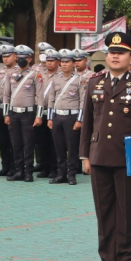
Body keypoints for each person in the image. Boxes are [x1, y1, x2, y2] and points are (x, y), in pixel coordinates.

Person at [80, 32, 131, 261]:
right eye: (112, 52)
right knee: (104, 210)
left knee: (127, 210)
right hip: (99, 154)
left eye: (121, 53)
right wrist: (85, 156)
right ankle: (107, 260)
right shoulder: (95, 82)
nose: (115, 56)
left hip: (127, 158)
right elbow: (88, 121)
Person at [46, 49, 86, 185]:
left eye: (67, 62)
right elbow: (51, 99)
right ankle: (61, 174)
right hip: (57, 116)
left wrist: (79, 120)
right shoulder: (56, 79)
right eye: (62, 62)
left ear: (73, 63)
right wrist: (50, 118)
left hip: (71, 117)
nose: (64, 64)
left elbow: (83, 101)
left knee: (72, 147)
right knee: (59, 147)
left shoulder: (80, 79)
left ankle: (72, 175)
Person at [3, 45, 38, 182]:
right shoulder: (10, 74)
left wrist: (38, 115)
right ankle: (19, 171)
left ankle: (28, 172)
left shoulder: (35, 74)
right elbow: (6, 94)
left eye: (25, 57)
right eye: (19, 57)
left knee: (28, 144)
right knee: (16, 143)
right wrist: (6, 114)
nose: (21, 60)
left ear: (30, 59)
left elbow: (39, 96)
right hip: (13, 113)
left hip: (28, 114)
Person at [34, 48, 61, 180]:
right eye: (48, 60)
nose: (49, 63)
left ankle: (54, 169)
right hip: (41, 112)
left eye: (52, 60)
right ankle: (44, 167)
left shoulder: (61, 75)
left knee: (54, 142)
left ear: (58, 62)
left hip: (54, 112)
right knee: (41, 142)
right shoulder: (40, 74)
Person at [0, 45, 16, 177]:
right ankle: (5, 166)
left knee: (14, 141)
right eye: (4, 56)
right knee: (3, 141)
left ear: (15, 56)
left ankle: (14, 167)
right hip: (1, 109)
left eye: (8, 56)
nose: (6, 59)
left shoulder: (19, 72)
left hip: (14, 110)